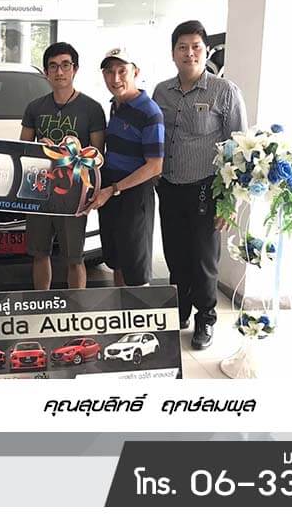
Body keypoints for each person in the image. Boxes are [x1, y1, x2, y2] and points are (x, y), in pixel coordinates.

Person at [152, 20, 247, 350]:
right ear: (173, 53)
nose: (189, 53)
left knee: (204, 260)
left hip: (206, 189)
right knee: (175, 254)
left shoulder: (225, 92)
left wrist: (228, 202)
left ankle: (205, 318)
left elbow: (238, 149)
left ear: (206, 51)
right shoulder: (161, 91)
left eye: (195, 47)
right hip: (169, 186)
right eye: (182, 47)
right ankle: (179, 311)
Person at [20, 42, 106, 290]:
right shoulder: (35, 107)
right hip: (39, 191)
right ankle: (42, 304)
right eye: (53, 66)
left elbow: (98, 157)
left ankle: (76, 310)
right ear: (46, 72)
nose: (59, 72)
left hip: (73, 195)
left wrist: (75, 151)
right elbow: (22, 150)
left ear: (75, 69)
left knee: (75, 259)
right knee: (39, 254)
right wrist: (40, 148)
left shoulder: (92, 108)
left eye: (65, 65)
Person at [85, 48, 164, 287]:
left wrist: (113, 189)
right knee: (116, 261)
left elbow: (155, 166)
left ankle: (136, 311)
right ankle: (120, 308)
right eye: (109, 72)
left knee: (135, 268)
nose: (115, 78)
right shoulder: (115, 105)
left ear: (135, 72)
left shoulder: (150, 112)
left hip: (133, 195)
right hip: (111, 191)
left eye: (122, 71)